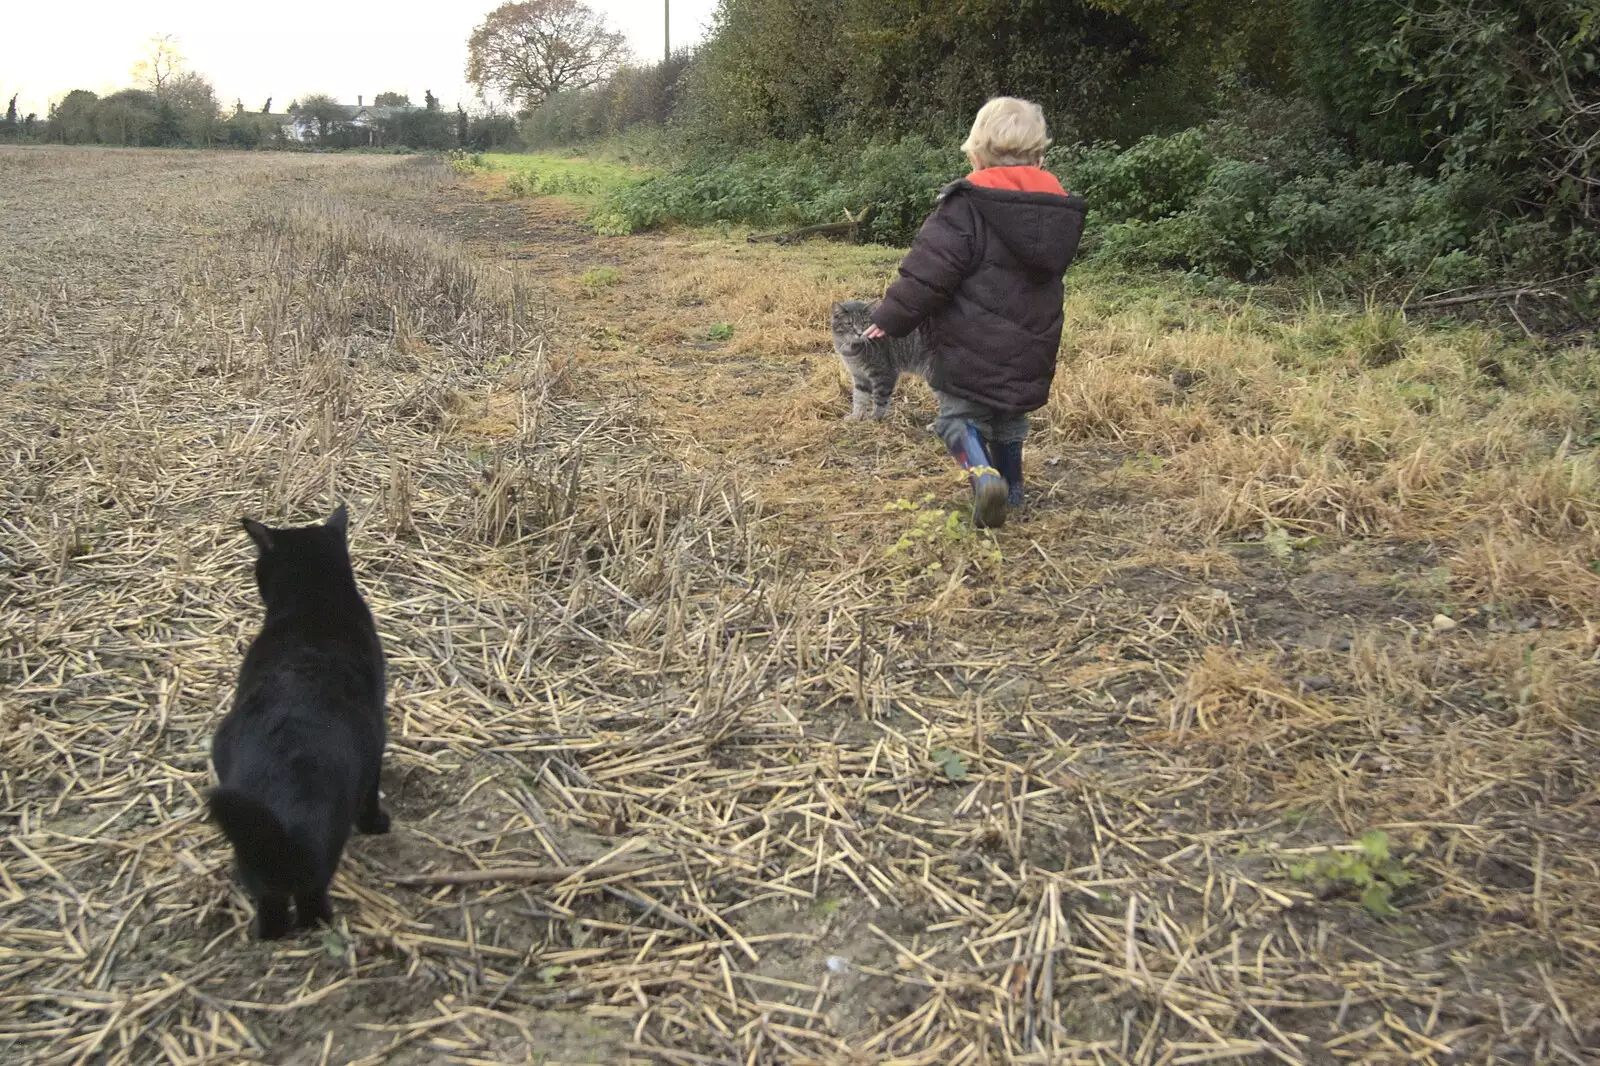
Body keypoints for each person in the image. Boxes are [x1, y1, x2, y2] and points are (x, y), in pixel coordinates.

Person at [865, 97, 1086, 528]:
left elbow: (928, 276)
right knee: (1010, 420)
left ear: (976, 154)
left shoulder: (965, 207)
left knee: (956, 419)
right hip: (1032, 346)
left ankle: (985, 480)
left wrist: (890, 317)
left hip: (968, 345)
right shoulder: (1057, 212)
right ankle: (1015, 490)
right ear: (1040, 156)